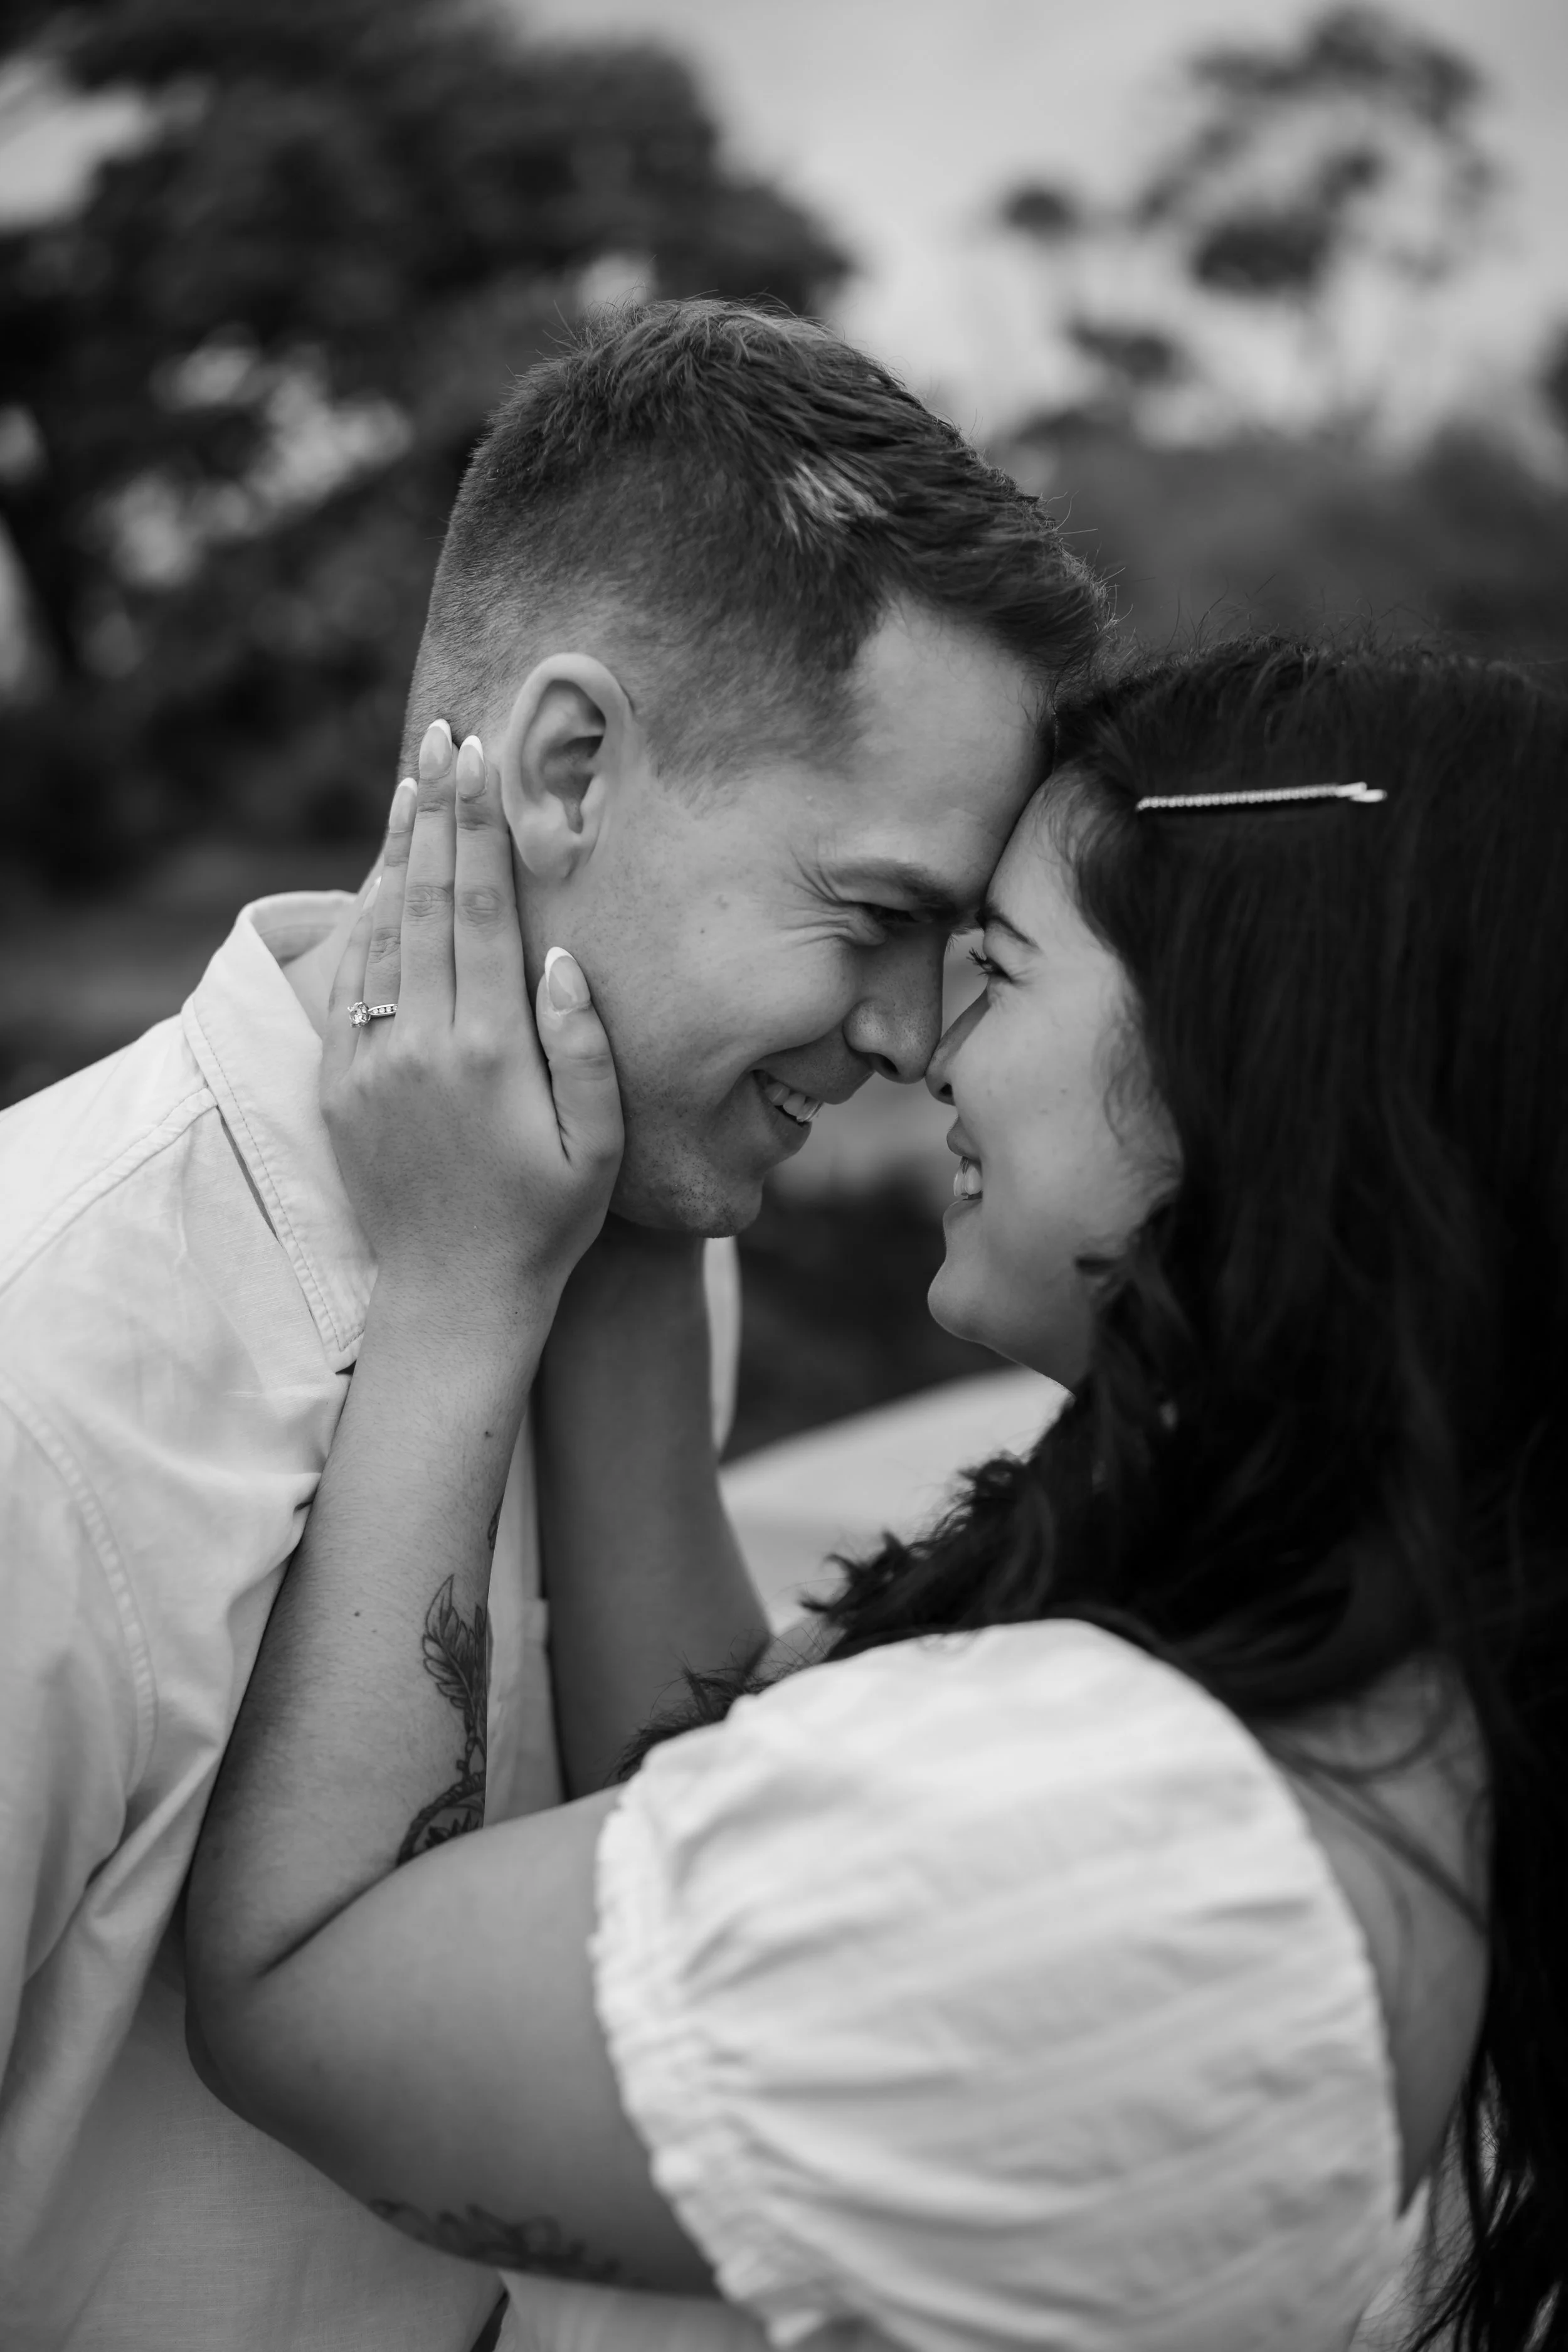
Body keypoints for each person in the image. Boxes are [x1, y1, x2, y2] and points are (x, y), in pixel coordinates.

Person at [184, 633, 1568, 2351]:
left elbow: (303, 1996)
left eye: (991, 964)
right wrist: (637, 1162)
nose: (920, 1042)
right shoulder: (1297, 1675)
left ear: (1250, 1063)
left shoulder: (1118, 1874)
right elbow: (693, 1845)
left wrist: (461, 1281)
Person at [0, 300, 1103, 2347]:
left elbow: (657, 1866)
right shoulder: (42, 1383)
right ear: (570, 765)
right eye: (874, 915)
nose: (905, 1032)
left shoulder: (634, 1241)